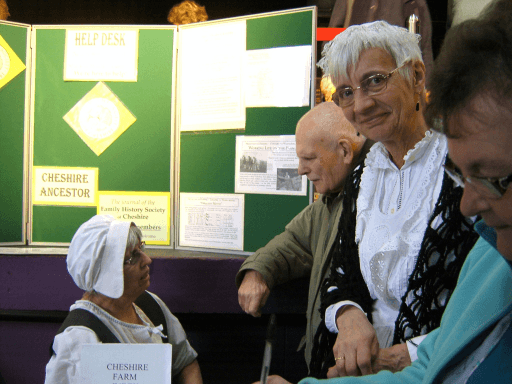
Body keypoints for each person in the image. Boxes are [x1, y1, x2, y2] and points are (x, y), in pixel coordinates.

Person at [298, 0, 512, 382]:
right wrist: (348, 317)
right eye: (345, 92)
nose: (361, 104)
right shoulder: (364, 166)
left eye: (375, 81)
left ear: (416, 75)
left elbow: (477, 301)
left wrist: (407, 355)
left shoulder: (465, 161)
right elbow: (341, 267)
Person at [237, 102, 370, 376]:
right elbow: (292, 243)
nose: (300, 170)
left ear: (345, 150)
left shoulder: (375, 196)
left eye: (309, 158)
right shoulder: (329, 203)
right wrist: (257, 272)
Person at [45, 215, 202, 384]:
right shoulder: (78, 340)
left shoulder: (149, 304)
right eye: (133, 257)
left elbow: (185, 363)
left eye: (141, 248)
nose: (147, 260)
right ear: (107, 272)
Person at [327, 0, 433, 87]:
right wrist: (328, 76)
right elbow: (332, 36)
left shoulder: (413, 3)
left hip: (392, 86)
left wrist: (425, 91)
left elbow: (423, 50)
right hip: (353, 81)